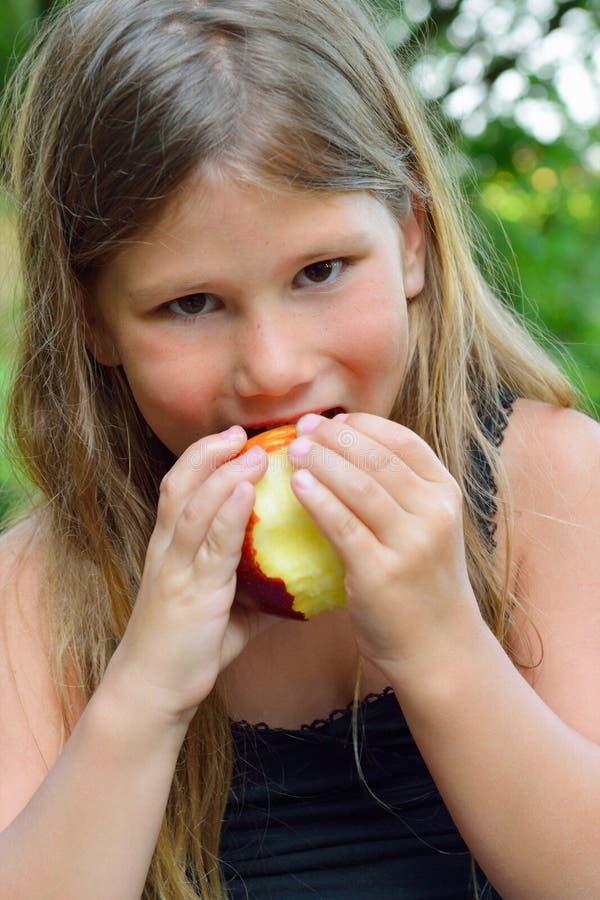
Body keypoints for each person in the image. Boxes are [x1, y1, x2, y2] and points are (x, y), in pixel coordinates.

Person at [0, 0, 599, 897]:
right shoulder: (43, 588)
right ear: (94, 321)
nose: (274, 370)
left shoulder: (549, 483)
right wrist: (145, 694)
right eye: (189, 305)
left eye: (319, 273)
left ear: (409, 239)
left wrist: (442, 645)